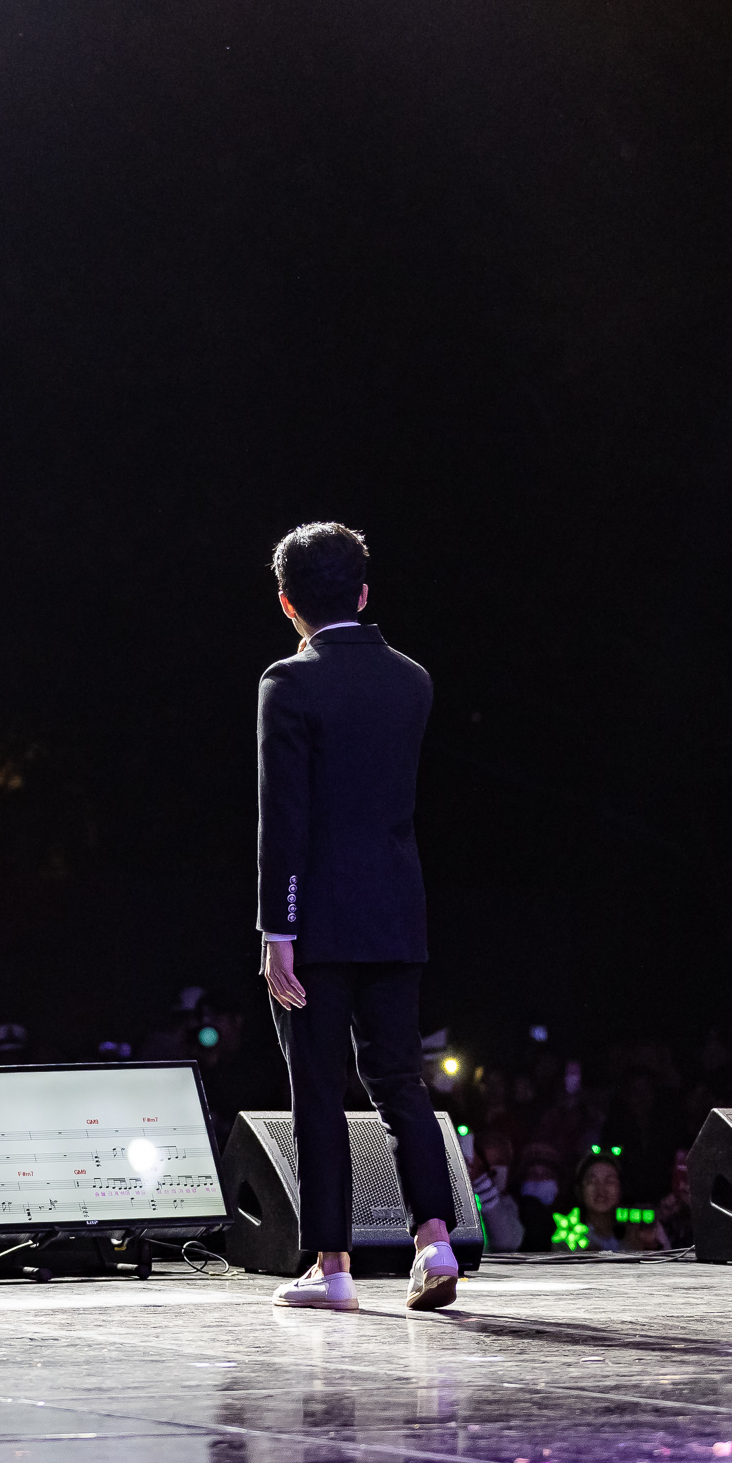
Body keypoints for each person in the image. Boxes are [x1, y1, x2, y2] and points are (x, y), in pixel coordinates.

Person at [255, 523, 460, 1313]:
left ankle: (331, 1265)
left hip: (317, 920)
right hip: (397, 909)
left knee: (317, 1085)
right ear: (365, 592)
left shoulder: (288, 682)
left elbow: (285, 818)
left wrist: (278, 930)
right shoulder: (412, 680)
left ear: (287, 602)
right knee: (400, 1080)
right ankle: (433, 1237)